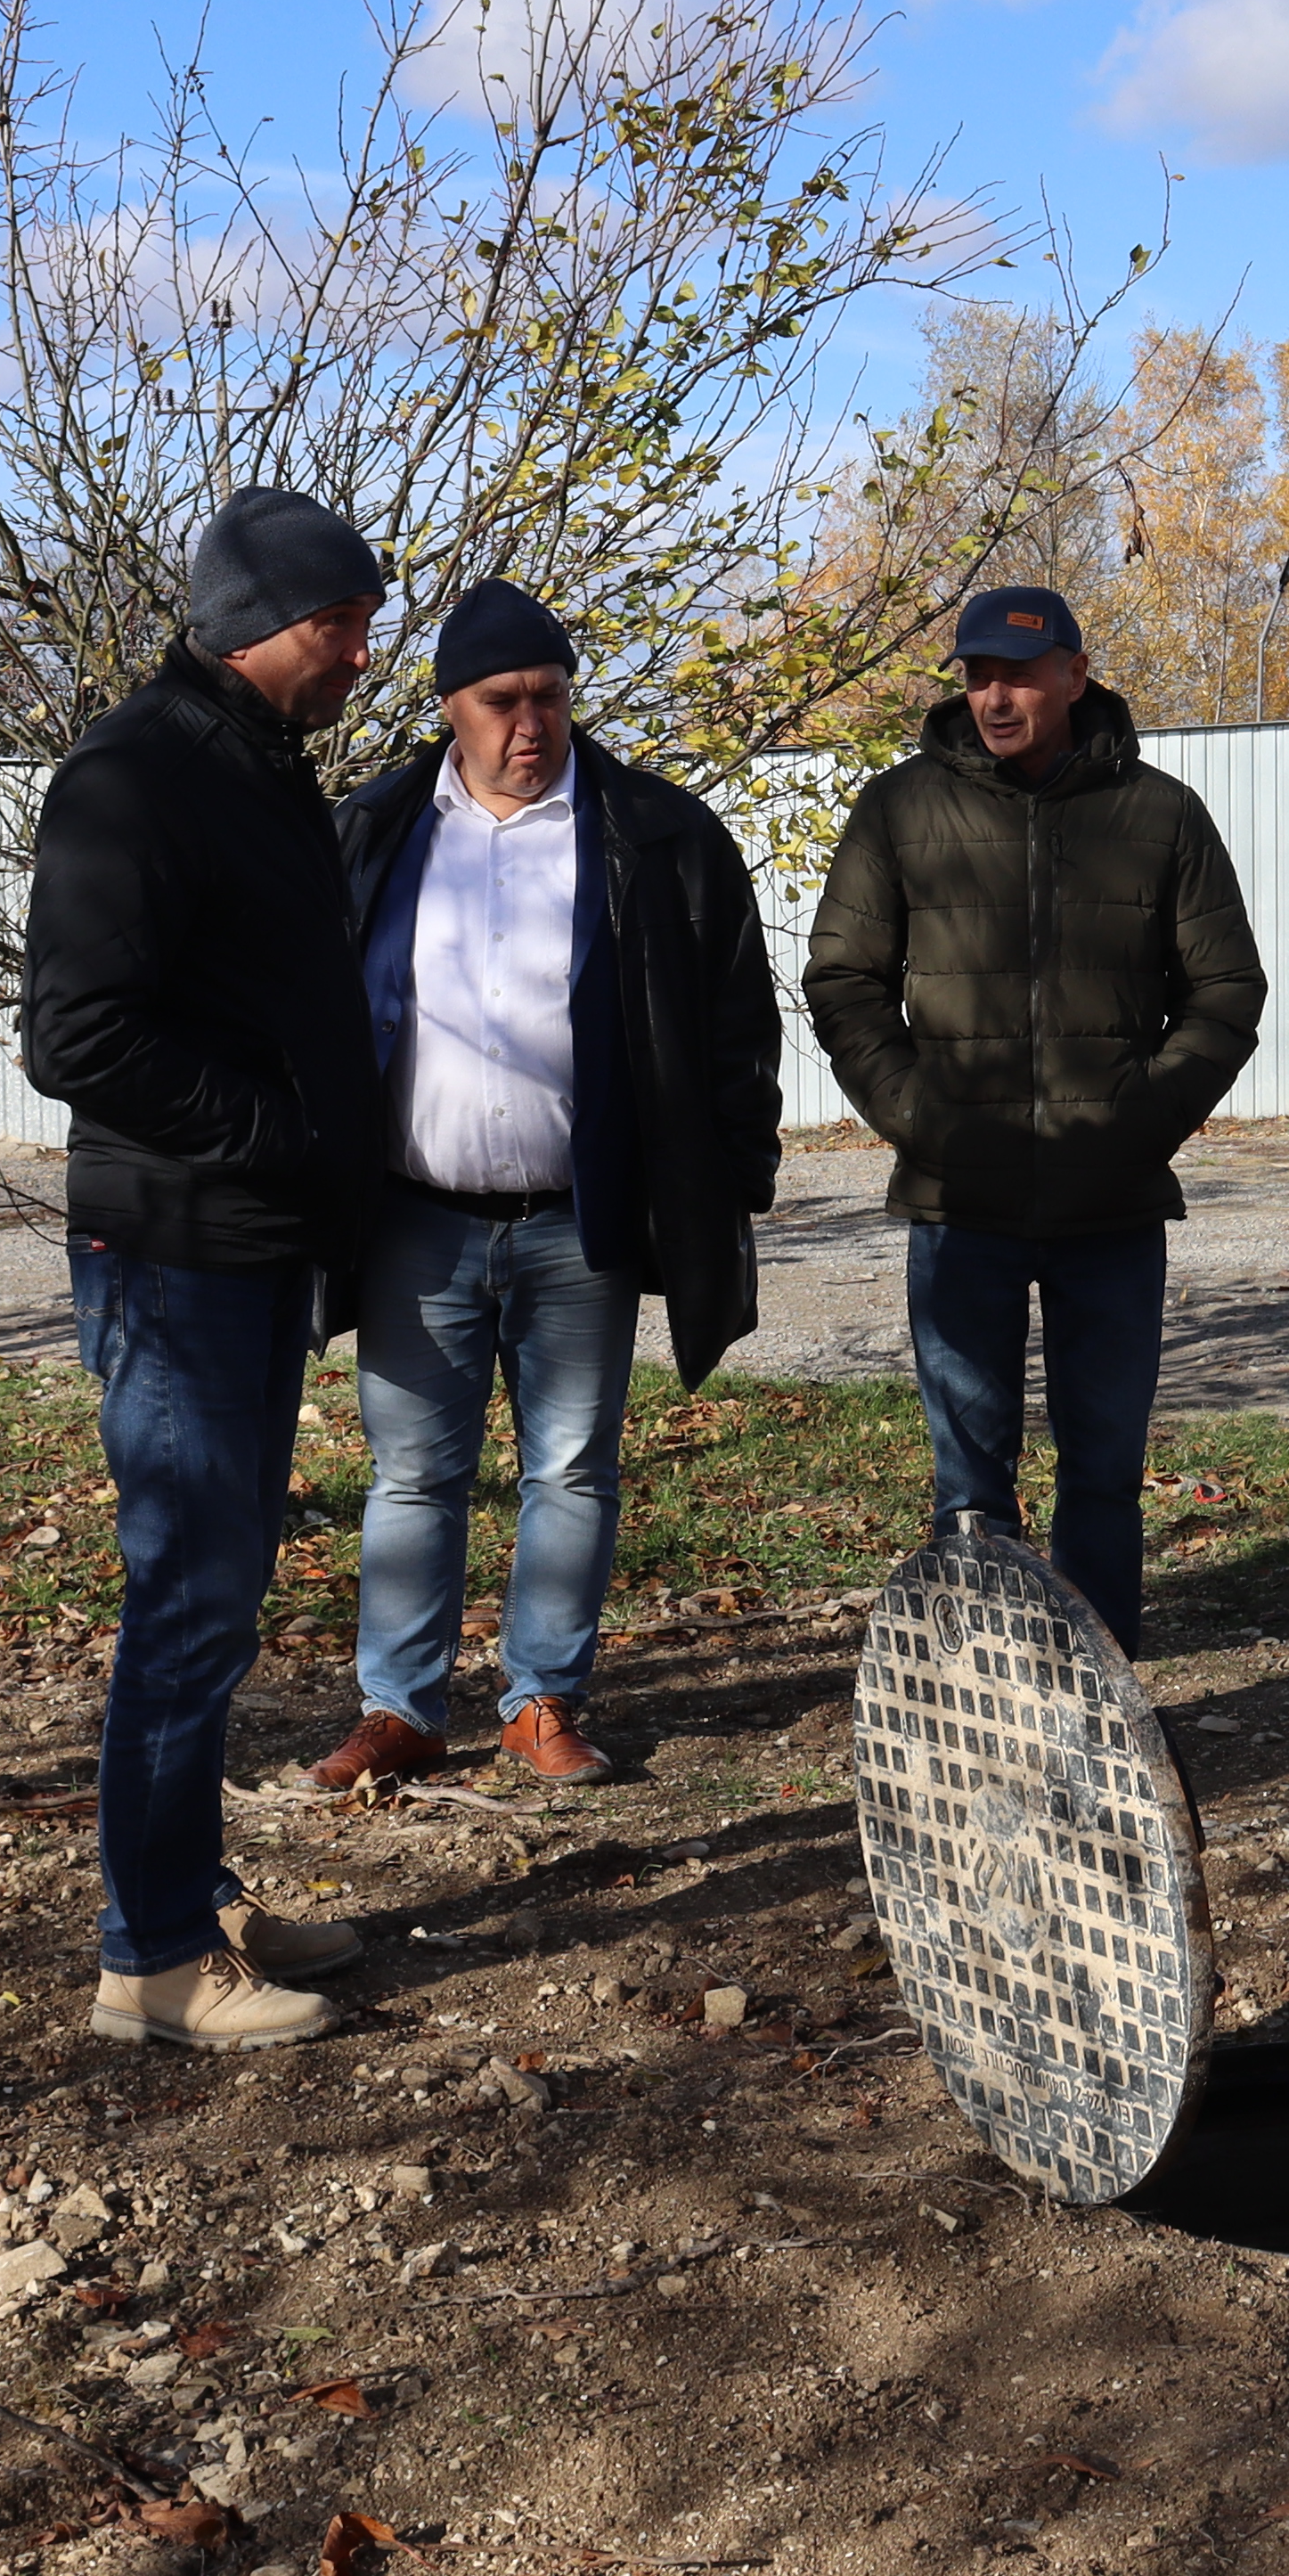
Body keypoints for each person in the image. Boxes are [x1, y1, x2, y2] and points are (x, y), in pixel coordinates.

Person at [18, 487, 399, 2054]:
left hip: (242, 1249)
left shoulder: (256, 769)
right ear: (261, 626)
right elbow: (77, 1036)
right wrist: (282, 1130)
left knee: (220, 1600)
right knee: (187, 1602)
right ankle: (155, 1959)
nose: (366, 655)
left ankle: (193, 1893)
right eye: (345, 625)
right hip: (173, 1250)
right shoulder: (136, 777)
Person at [307, 579, 781, 1798]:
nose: (531, 723)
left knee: (571, 1467)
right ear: (448, 707)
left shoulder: (654, 834)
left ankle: (542, 1702)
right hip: (417, 1216)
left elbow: (735, 1020)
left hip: (584, 1223)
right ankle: (399, 1711)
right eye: (501, 701)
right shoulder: (375, 833)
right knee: (415, 1473)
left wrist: (736, 1169)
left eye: (550, 696)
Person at [799, 583, 1267, 1654]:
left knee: (1104, 1467)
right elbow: (844, 981)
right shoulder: (900, 810)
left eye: (1016, 673)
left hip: (1111, 1204)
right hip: (961, 1201)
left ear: (1074, 674)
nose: (993, 695)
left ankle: (1097, 1682)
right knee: (970, 1476)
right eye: (975, 675)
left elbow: (1226, 991)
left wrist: (1137, 1121)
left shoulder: (1160, 816)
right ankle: (987, 1677)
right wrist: (926, 1120)